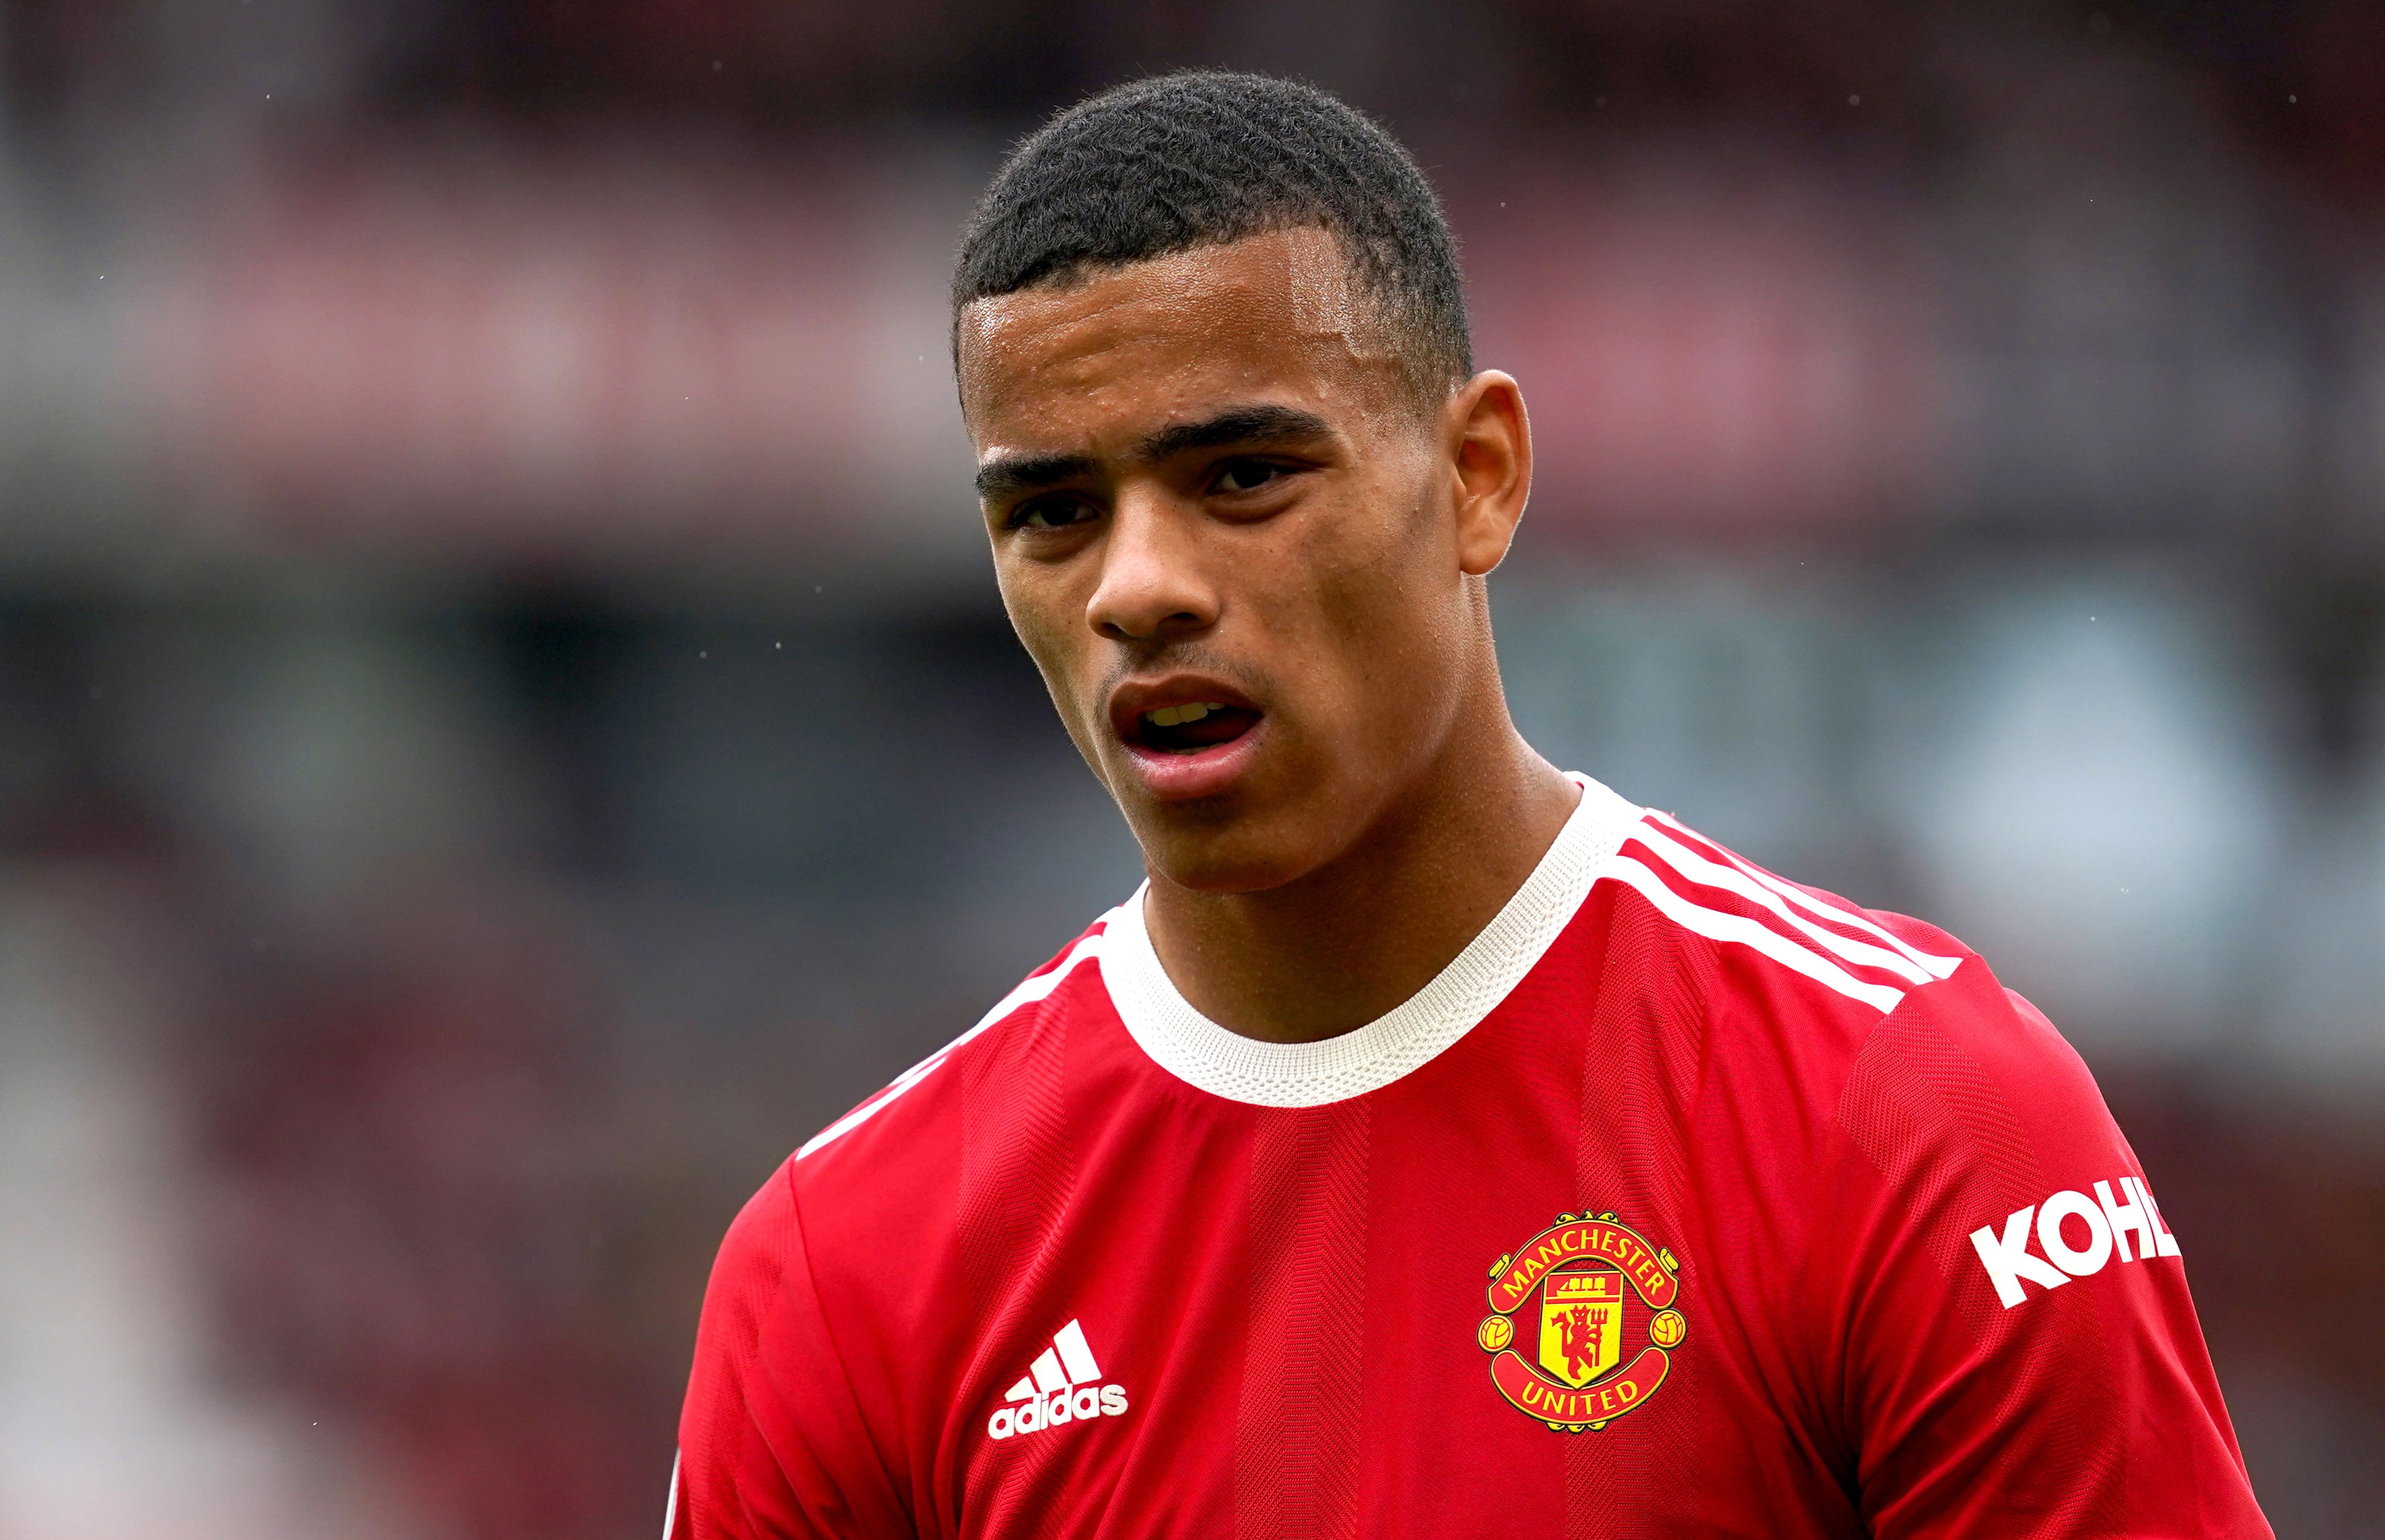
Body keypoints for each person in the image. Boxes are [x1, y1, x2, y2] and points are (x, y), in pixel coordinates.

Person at [667, 70, 2271, 1538]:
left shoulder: (1911, 1115)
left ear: (1481, 474)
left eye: (1244, 477)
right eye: (1054, 512)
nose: (1138, 588)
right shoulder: (844, 1270)